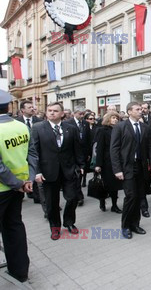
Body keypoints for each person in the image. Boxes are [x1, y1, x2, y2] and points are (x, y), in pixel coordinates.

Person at [32, 102, 85, 240]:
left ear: (62, 114)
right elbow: (34, 152)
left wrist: (81, 166)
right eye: (49, 110)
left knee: (72, 197)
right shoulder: (38, 128)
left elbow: (77, 149)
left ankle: (69, 222)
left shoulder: (71, 128)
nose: (51, 113)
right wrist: (37, 172)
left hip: (69, 169)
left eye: (55, 111)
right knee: (52, 202)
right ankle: (55, 227)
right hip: (48, 171)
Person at [0, 90, 37, 283]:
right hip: (19, 188)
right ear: (9, 107)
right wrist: (27, 180)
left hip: (5, 188)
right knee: (14, 227)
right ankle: (20, 271)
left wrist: (18, 183)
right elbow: (32, 155)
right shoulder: (21, 126)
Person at [110, 102, 151, 239]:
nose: (141, 111)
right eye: (137, 109)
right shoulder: (120, 127)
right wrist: (117, 169)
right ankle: (125, 226)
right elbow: (114, 150)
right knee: (130, 197)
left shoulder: (145, 127)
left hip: (141, 167)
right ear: (129, 111)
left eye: (141, 109)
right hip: (126, 168)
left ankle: (135, 224)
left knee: (139, 196)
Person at [94, 112, 122, 214]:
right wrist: (98, 164)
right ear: (108, 119)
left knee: (115, 185)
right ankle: (102, 201)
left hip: (116, 161)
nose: (115, 120)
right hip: (106, 162)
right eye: (113, 118)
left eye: (117, 118)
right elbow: (99, 148)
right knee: (105, 184)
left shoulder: (119, 129)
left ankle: (114, 205)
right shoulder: (102, 130)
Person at [64, 107, 91, 202]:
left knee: (80, 174)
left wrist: (88, 153)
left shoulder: (85, 123)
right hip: (72, 153)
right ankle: (78, 196)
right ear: (74, 113)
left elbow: (88, 139)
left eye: (83, 114)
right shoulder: (67, 123)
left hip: (82, 153)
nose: (82, 116)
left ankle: (78, 194)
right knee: (74, 175)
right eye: (80, 114)